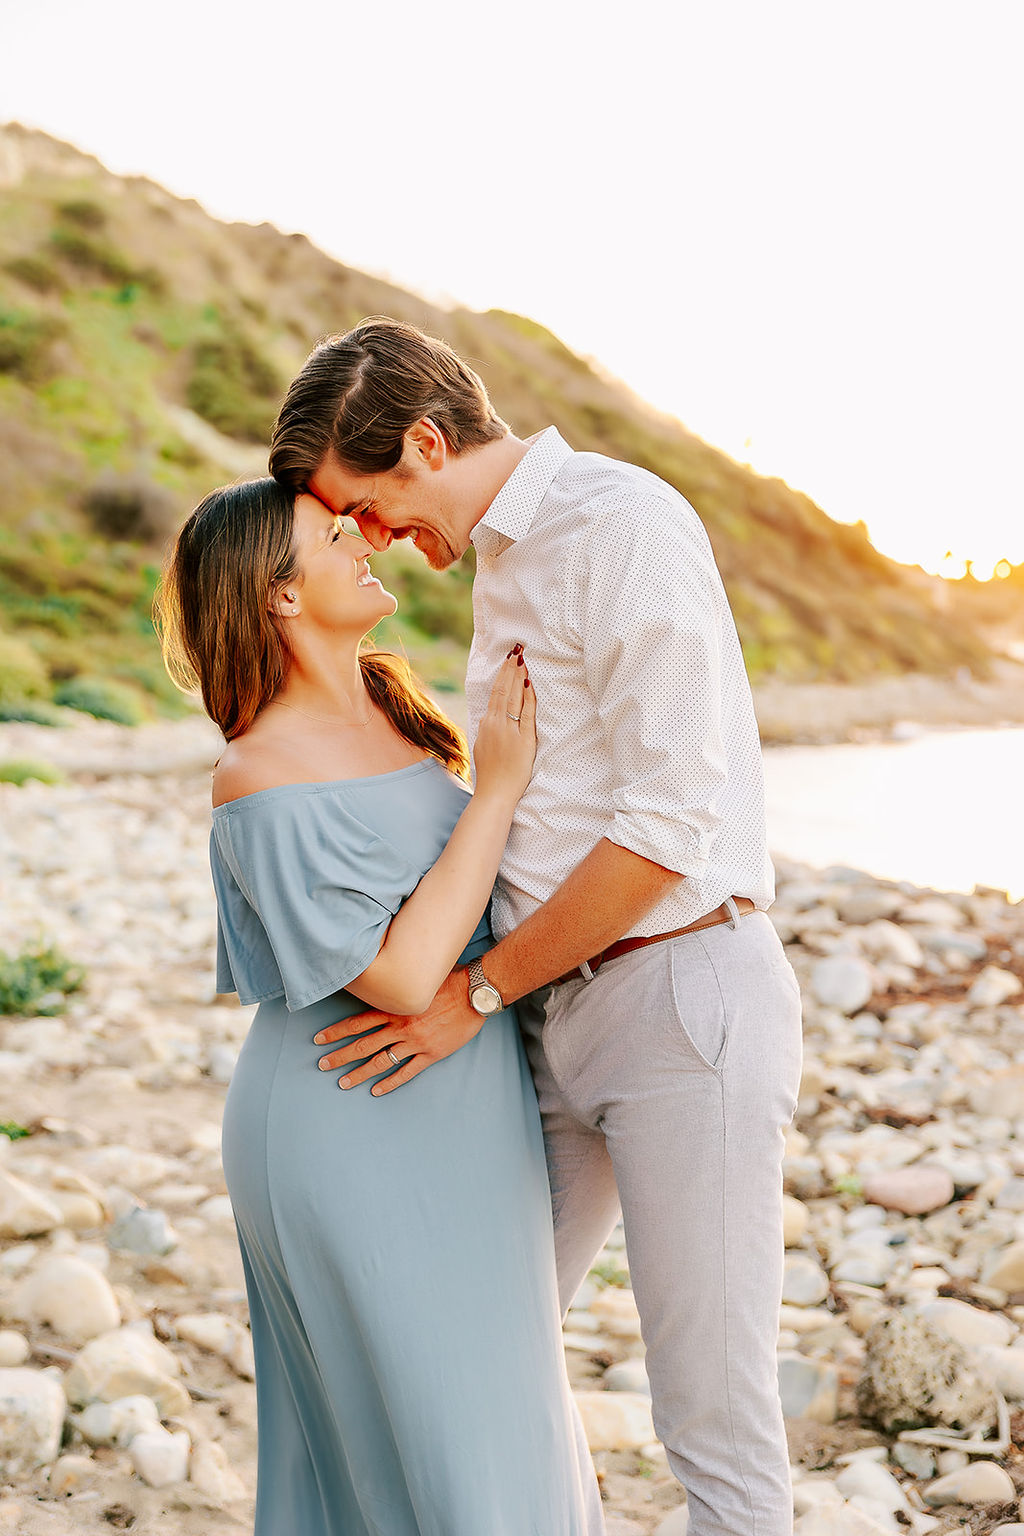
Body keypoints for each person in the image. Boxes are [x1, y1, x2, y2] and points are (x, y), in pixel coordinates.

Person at [269, 318, 805, 1536]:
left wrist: (472, 996)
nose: (381, 542)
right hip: (546, 1010)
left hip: (678, 1000)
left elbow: (669, 823)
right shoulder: (500, 556)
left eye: (375, 507)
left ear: (422, 440)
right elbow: (543, 804)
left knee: (711, 1419)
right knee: (478, 1348)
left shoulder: (618, 528)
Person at [157, 478, 604, 1536]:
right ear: (279, 596)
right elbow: (398, 979)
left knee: (505, 1412)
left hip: (465, 1107)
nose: (364, 539)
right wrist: (494, 790)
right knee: (422, 1434)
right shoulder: (256, 770)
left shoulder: (394, 708)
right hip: (345, 1116)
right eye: (331, 533)